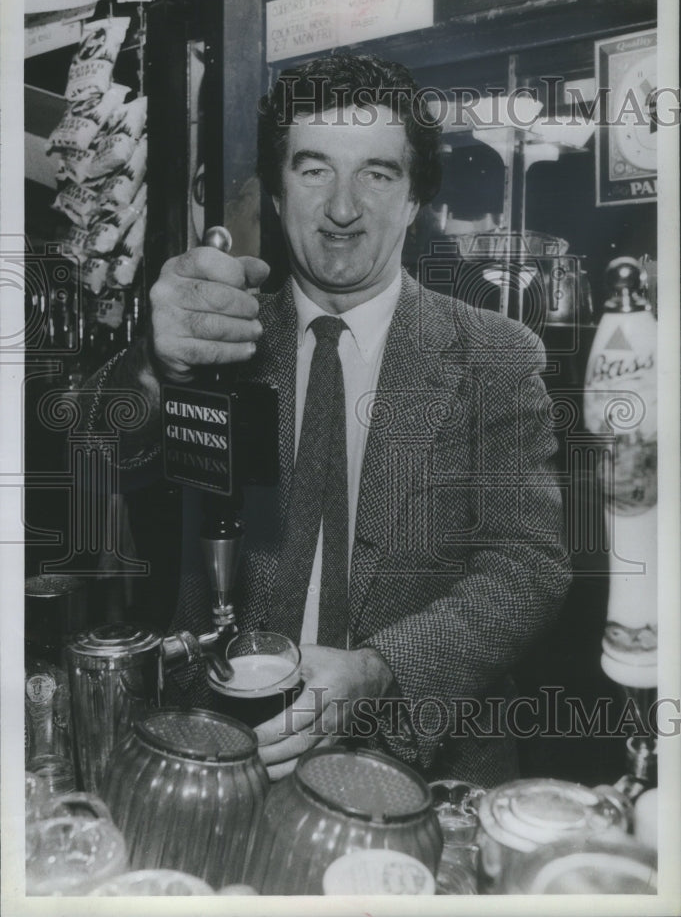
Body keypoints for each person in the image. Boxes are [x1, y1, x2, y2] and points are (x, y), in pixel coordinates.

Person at [84, 53, 570, 786]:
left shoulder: (494, 355)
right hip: (216, 753)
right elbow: (93, 452)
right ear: (277, 195)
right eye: (314, 170)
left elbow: (526, 565)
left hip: (414, 774)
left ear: (415, 199)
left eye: (377, 173)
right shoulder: (220, 338)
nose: (343, 208)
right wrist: (153, 365)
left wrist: (381, 671)